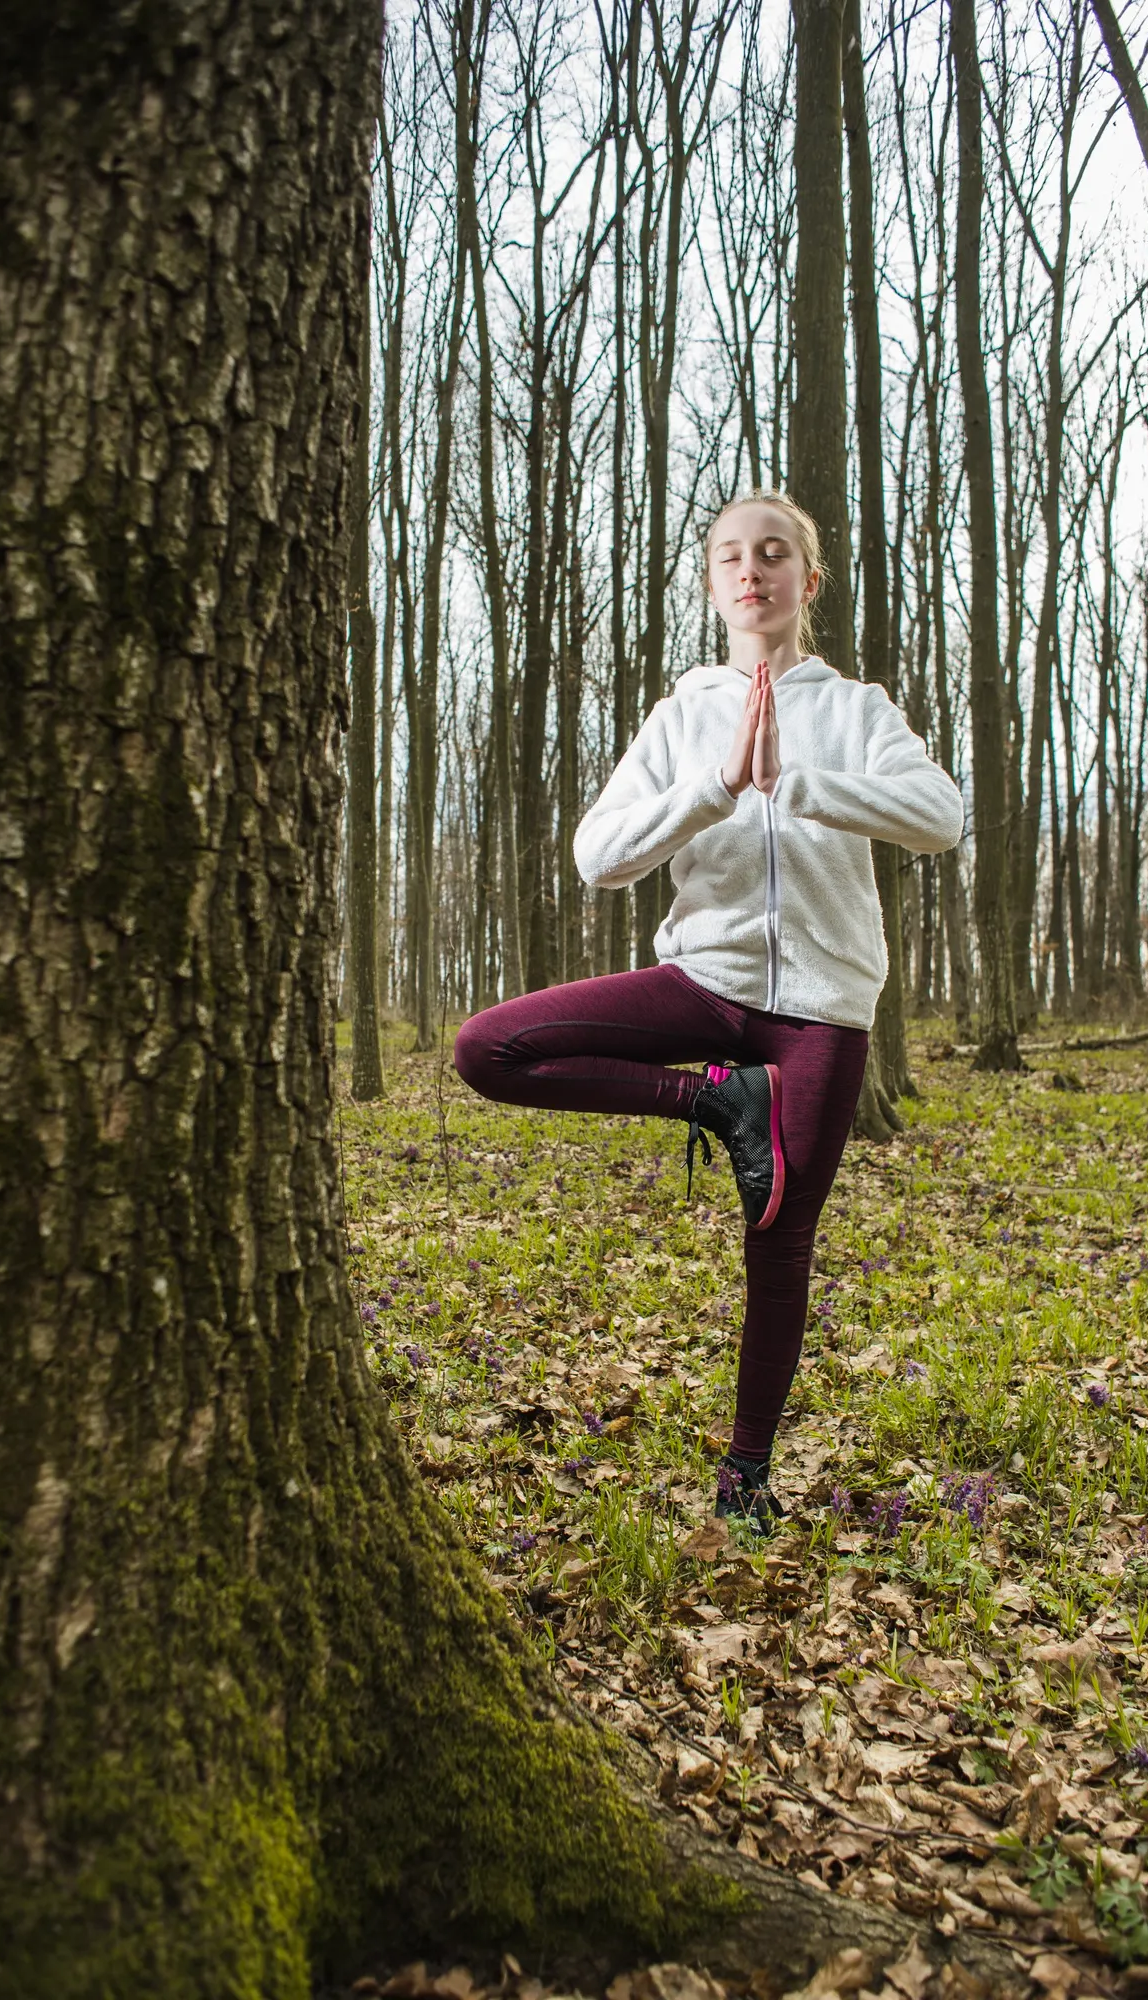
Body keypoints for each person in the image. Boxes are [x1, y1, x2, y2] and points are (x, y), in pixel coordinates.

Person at [454, 490, 963, 1533]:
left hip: (821, 1009)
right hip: (702, 980)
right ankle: (718, 1103)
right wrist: (719, 784)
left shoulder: (856, 708)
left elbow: (941, 816)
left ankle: (745, 1472)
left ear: (805, 581)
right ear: (712, 583)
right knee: (486, 1045)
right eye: (732, 554)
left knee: (779, 1241)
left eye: (774, 553)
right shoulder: (683, 712)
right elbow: (599, 855)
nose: (753, 569)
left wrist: (800, 779)